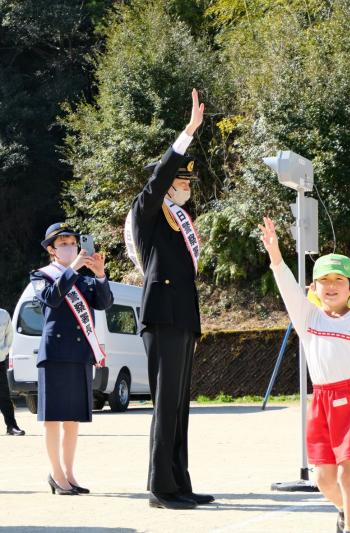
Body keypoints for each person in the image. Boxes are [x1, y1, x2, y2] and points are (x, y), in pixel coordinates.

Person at [260, 218, 350, 533]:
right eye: (323, 280)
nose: (330, 286)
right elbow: (287, 288)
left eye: (338, 280)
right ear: (313, 288)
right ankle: (345, 510)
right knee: (323, 480)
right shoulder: (308, 317)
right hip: (321, 402)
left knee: (346, 475)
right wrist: (275, 255)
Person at [128, 89, 212, 509]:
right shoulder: (147, 211)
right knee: (165, 405)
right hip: (162, 316)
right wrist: (188, 132)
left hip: (182, 318)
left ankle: (179, 482)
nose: (184, 186)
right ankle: (160, 487)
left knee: (179, 406)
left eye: (187, 181)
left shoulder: (179, 219)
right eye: (179, 180)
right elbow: (159, 177)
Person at [31, 223, 113, 495]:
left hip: (79, 356)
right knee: (53, 418)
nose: (69, 247)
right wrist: (73, 269)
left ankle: (69, 473)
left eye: (72, 243)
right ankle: (56, 474)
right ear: (52, 250)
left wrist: (100, 275)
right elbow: (51, 299)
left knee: (73, 419)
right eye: (63, 243)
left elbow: (104, 303)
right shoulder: (41, 275)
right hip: (55, 355)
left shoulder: (84, 280)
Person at [0, 307, 25, 436]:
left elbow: (9, 336)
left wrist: (2, 353)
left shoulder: (3, 314)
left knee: (3, 396)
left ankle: (11, 426)